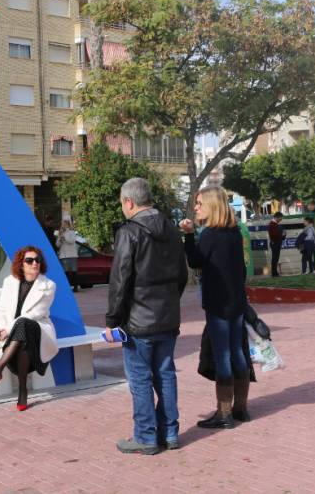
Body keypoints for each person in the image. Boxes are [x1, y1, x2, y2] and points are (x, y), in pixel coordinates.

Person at [107, 177, 188, 455]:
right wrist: (168, 303)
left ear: (129, 202)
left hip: (138, 321)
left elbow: (120, 279)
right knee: (165, 374)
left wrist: (112, 320)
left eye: (122, 203)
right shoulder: (171, 229)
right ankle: (170, 432)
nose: (122, 208)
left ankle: (146, 436)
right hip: (167, 316)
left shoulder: (129, 232)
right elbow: (182, 274)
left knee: (140, 378)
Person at [180, 186, 250, 430]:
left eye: (199, 203)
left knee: (223, 355)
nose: (196, 207)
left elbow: (195, 261)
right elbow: (241, 270)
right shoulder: (233, 233)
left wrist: (188, 235)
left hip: (219, 304)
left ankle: (224, 413)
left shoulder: (210, 234)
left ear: (211, 205)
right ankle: (241, 407)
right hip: (236, 301)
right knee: (237, 352)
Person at [0, 246, 58, 411]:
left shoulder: (49, 285)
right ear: (21, 264)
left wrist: (7, 330)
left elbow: (35, 314)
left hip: (38, 329)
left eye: (37, 260)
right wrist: (1, 327)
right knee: (22, 340)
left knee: (23, 323)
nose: (34, 263)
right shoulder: (10, 282)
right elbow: (1, 309)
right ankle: (22, 390)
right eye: (29, 260)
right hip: (16, 335)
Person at [56, 219, 79, 292]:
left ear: (68, 225)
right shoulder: (60, 233)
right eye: (63, 224)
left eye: (65, 224)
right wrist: (60, 239)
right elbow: (57, 245)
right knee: (65, 273)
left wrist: (64, 238)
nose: (63, 225)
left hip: (72, 255)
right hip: (63, 255)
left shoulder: (72, 232)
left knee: (73, 272)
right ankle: (67, 287)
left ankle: (75, 287)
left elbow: (72, 241)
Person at [268, 212, 286, 277]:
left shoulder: (276, 225)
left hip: (277, 243)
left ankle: (275, 272)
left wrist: (283, 234)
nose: (281, 220)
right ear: (277, 217)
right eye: (280, 218)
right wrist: (281, 234)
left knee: (276, 258)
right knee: (274, 258)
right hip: (275, 243)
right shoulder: (272, 224)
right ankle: (274, 273)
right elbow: (273, 235)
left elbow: (281, 236)